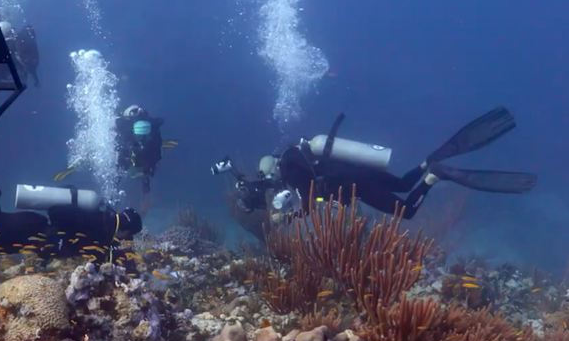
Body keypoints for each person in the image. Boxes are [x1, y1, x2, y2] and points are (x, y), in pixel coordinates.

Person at [214, 106, 537, 220]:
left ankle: (433, 176)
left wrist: (292, 217)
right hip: (361, 172)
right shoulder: (295, 159)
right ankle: (428, 164)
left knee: (407, 212)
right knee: (400, 184)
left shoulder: (291, 174)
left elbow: (311, 204)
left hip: (359, 186)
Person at [0, 165, 143, 262]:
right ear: (126, 229)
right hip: (31, 230)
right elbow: (57, 212)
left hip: (33, 233)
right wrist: (57, 239)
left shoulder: (104, 225)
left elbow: (97, 253)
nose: (125, 240)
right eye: (128, 235)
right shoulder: (100, 226)